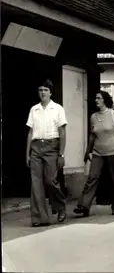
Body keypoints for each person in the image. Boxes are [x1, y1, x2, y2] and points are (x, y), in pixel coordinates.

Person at [74, 90, 114, 217]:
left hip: (113, 151)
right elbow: (93, 135)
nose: (96, 100)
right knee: (92, 177)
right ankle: (83, 205)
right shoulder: (93, 116)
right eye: (95, 98)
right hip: (98, 152)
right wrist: (88, 151)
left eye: (98, 98)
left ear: (105, 100)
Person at [26, 79, 67, 227]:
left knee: (51, 180)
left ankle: (60, 206)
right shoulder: (34, 109)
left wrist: (61, 154)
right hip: (36, 147)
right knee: (36, 183)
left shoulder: (57, 109)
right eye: (40, 90)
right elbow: (30, 133)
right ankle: (40, 218)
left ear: (50, 92)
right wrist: (27, 153)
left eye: (45, 90)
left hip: (52, 147)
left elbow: (62, 132)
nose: (42, 92)